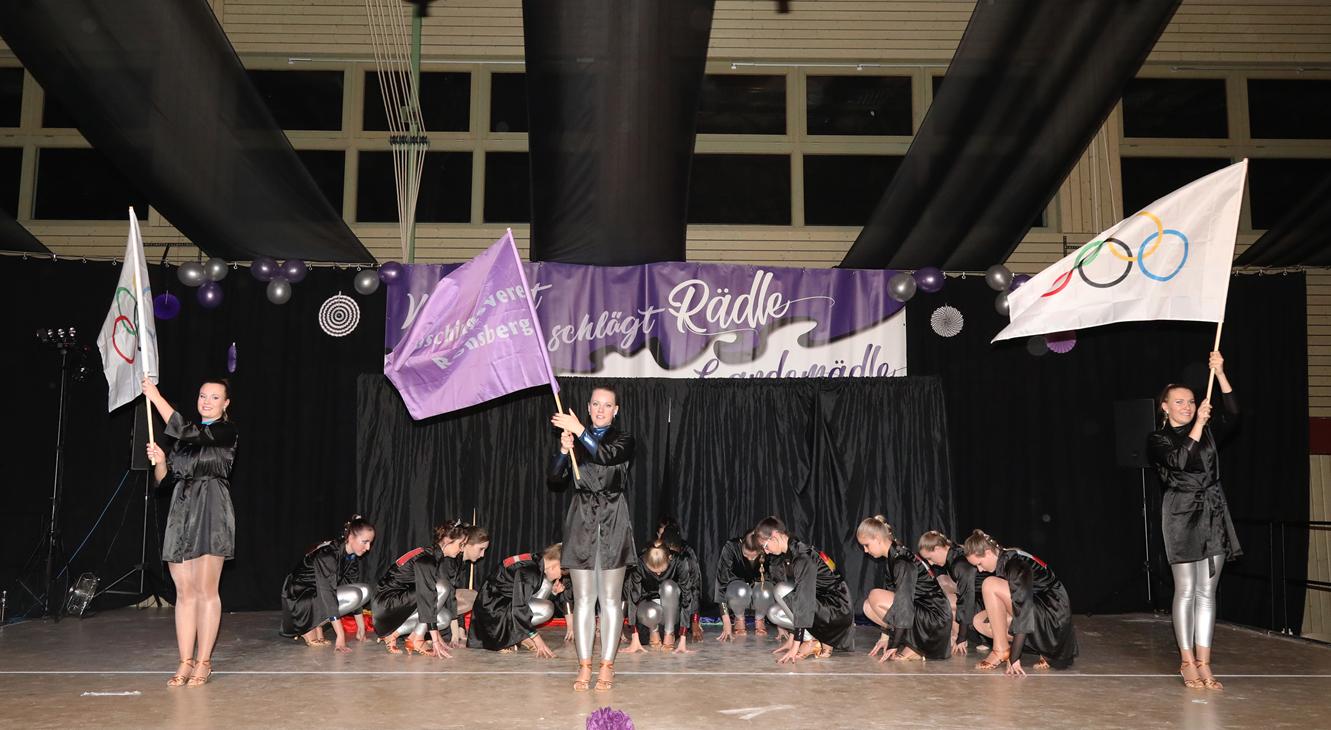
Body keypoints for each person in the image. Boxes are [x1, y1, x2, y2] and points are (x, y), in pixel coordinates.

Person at [1148, 351, 1239, 690]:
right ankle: (1186, 661)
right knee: (1186, 589)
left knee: (1207, 591)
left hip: (1213, 510)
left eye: (1191, 401)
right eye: (1179, 402)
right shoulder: (1158, 439)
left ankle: (1205, 662)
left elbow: (1235, 415)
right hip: (1181, 512)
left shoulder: (1209, 432)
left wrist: (1221, 374)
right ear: (1165, 408)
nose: (1187, 406)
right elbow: (1179, 460)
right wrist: (1198, 424)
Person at [143, 376, 236, 688]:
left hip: (211, 508)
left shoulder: (225, 431)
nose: (206, 401)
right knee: (184, 592)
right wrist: (160, 463)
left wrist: (156, 397)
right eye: (202, 396)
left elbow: (188, 431)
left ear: (225, 404)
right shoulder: (183, 441)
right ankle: (185, 660)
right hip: (181, 511)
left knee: (206, 590)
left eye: (214, 397)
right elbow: (165, 483)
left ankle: (204, 661)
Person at [549, 385, 636, 692]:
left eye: (607, 405)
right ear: (588, 407)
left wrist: (579, 430)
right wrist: (564, 451)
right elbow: (554, 479)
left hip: (614, 518)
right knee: (584, 599)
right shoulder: (576, 441)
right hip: (581, 520)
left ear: (616, 411)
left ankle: (607, 666)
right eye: (596, 404)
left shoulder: (624, 440)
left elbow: (606, 455)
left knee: (610, 599)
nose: (600, 409)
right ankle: (584, 665)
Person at [963, 530, 1078, 675]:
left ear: (988, 552)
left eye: (979, 564)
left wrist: (1015, 657)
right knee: (979, 622)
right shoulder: (1007, 557)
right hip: (1040, 610)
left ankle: (1002, 650)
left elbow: (1023, 610)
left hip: (1053, 618)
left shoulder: (1015, 564)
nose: (980, 570)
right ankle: (1037, 648)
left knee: (990, 584)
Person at [371, 520, 487, 658]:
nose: (462, 549)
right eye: (460, 545)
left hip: (396, 603)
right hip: (385, 605)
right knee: (442, 587)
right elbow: (427, 598)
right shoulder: (427, 560)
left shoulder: (432, 555)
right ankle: (417, 638)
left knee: (444, 618)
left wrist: (439, 636)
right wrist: (435, 640)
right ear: (448, 541)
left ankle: (394, 634)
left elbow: (429, 601)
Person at [754, 516, 854, 663]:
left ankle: (811, 641)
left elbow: (803, 601)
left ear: (774, 536)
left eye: (766, 546)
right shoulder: (791, 553)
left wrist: (797, 645)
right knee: (774, 613)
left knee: (781, 590)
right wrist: (791, 640)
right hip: (822, 605)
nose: (766, 552)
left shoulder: (803, 557)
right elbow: (795, 601)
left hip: (837, 610)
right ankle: (815, 639)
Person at [857, 516, 951, 662]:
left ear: (877, 538)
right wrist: (885, 638)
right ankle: (913, 642)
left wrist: (894, 644)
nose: (865, 550)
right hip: (923, 613)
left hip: (935, 621)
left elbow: (903, 602)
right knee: (868, 607)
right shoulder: (892, 556)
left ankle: (917, 647)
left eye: (866, 545)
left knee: (875, 595)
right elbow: (895, 596)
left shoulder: (901, 561)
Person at [279, 516, 376, 652]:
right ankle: (309, 626)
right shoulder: (328, 555)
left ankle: (317, 624)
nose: (368, 547)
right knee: (354, 594)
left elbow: (352, 585)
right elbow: (327, 593)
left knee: (365, 590)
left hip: (318, 593)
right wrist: (340, 636)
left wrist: (361, 628)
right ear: (350, 537)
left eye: (370, 542)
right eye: (364, 542)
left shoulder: (351, 556)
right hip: (300, 598)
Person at [467, 543, 567, 656]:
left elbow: (525, 597)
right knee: (547, 608)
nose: (560, 577)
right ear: (555, 565)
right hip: (492, 612)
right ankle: (509, 636)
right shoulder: (530, 572)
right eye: (562, 572)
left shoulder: (536, 560)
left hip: (496, 602)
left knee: (546, 586)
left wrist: (553, 593)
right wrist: (537, 639)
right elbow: (519, 608)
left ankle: (521, 634)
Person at [622, 542, 700, 654]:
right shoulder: (639, 563)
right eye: (653, 570)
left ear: (669, 558)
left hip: (672, 613)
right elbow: (633, 597)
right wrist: (634, 636)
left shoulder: (679, 561)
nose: (658, 573)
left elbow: (687, 597)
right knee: (651, 612)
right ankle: (653, 630)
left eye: (661, 569)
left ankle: (669, 634)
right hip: (648, 614)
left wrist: (683, 638)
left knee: (669, 586)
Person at [918, 530, 986, 655]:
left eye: (929, 558)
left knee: (941, 601)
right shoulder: (954, 552)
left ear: (938, 548)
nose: (931, 563)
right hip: (979, 601)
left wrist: (962, 637)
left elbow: (967, 599)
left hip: (984, 607)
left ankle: (972, 636)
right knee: (941, 582)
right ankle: (955, 633)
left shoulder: (959, 564)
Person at [435, 522, 491, 648]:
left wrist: (461, 629)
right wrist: (455, 634)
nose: (482, 555)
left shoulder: (461, 562)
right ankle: (431, 631)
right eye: (481, 549)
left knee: (472, 596)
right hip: (425, 602)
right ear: (466, 544)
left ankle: (447, 629)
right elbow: (449, 597)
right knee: (465, 596)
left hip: (441, 601)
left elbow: (454, 594)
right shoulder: (449, 560)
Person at [714, 531, 773, 641]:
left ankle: (760, 619)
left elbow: (778, 579)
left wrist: (781, 625)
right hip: (737, 591)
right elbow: (721, 584)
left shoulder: (768, 549)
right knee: (741, 590)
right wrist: (726, 622)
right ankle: (739, 619)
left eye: (754, 556)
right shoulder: (731, 547)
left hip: (760, 594)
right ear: (742, 544)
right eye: (746, 555)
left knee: (765, 590)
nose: (750, 559)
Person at [657, 518, 706, 642]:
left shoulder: (687, 554)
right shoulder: (654, 551)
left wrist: (694, 621)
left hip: (679, 604)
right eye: (661, 533)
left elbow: (694, 587)